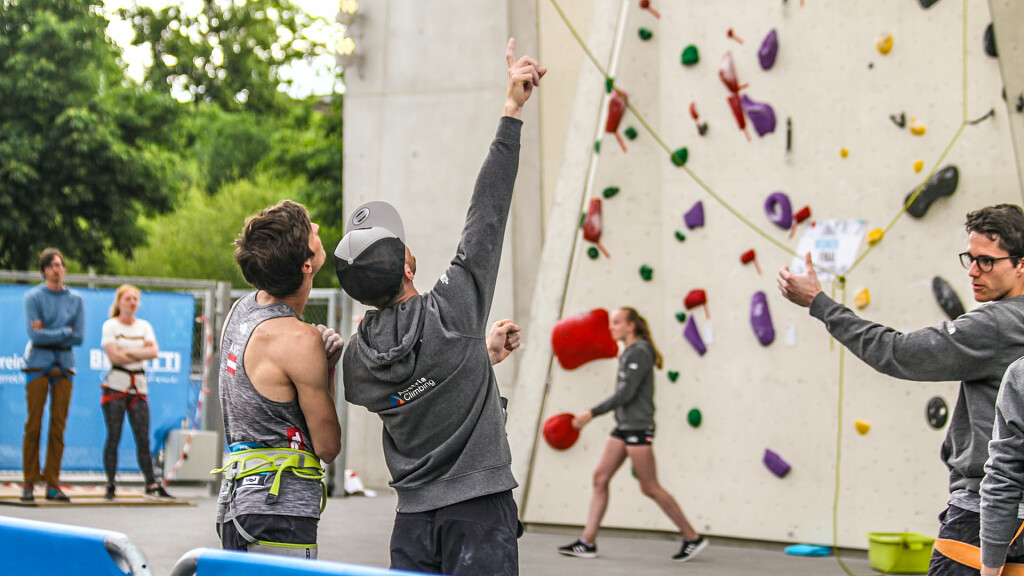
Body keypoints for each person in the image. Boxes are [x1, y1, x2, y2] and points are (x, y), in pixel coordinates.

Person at [333, 38, 543, 576]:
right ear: (408, 264)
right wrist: (511, 110)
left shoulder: (358, 364)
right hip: (479, 515)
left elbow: (417, 387)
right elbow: (487, 212)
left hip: (412, 525)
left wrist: (479, 356)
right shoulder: (454, 309)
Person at [776, 204, 1024, 576]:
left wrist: (820, 303)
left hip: (983, 512)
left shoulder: (997, 325)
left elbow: (898, 353)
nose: (973, 271)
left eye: (986, 262)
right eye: (969, 259)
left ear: (1021, 264)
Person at [215, 199, 343, 558]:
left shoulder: (242, 309)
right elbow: (328, 446)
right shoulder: (300, 340)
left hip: (237, 502)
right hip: (278, 510)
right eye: (311, 230)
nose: (317, 228)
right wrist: (327, 367)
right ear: (306, 265)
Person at [557, 307, 707, 563]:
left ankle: (692, 537)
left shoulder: (640, 351)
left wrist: (591, 413)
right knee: (600, 477)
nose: (611, 327)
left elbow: (625, 394)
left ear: (631, 326)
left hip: (638, 427)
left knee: (649, 487)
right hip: (624, 427)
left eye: (616, 323)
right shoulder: (629, 352)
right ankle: (587, 542)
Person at [20, 248, 84, 503]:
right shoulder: (33, 297)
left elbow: (78, 336)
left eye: (60, 264)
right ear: (45, 270)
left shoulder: (75, 299)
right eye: (52, 265)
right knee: (33, 425)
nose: (57, 269)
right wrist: (63, 331)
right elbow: (34, 336)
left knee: (58, 426)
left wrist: (50, 331)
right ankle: (28, 482)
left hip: (65, 367)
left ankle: (52, 483)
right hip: (38, 365)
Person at [100, 284, 173, 500]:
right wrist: (138, 353)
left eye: (135, 299)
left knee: (143, 437)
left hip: (139, 388)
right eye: (127, 299)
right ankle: (111, 483)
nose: (132, 303)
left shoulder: (144, 326)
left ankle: (151, 484)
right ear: (119, 302)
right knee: (114, 436)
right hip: (116, 386)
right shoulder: (110, 326)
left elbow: (153, 352)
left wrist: (127, 351)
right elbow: (114, 357)